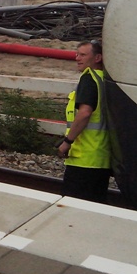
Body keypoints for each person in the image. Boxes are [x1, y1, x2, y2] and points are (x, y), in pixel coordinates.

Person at [57, 39, 111, 203]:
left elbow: (85, 113)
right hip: (101, 157)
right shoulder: (105, 81)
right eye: (76, 54)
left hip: (84, 158)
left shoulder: (89, 79)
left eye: (83, 55)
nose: (77, 58)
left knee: (74, 206)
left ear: (97, 58)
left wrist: (67, 141)